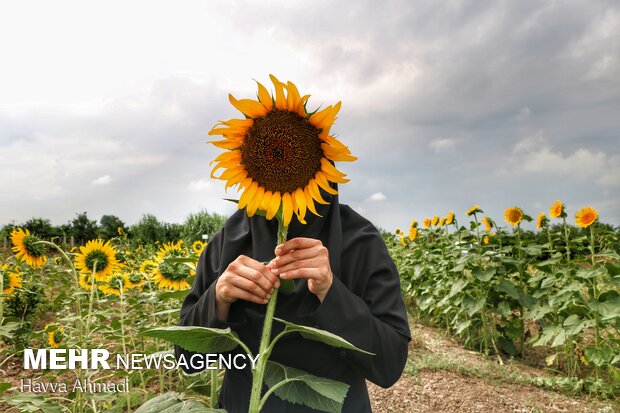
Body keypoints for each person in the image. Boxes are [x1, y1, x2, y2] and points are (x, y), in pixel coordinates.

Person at [175, 184, 411, 412]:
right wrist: (218, 298)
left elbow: (389, 365)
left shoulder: (359, 240)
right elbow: (187, 358)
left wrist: (330, 291)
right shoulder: (229, 239)